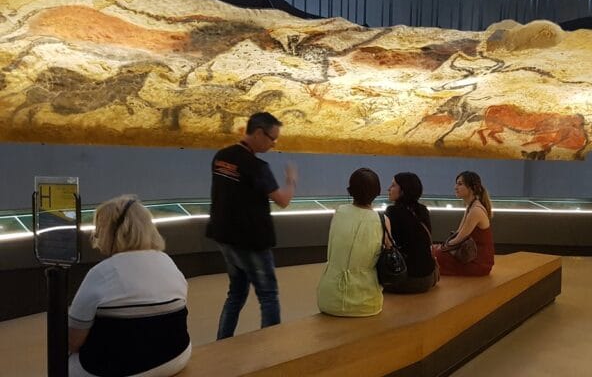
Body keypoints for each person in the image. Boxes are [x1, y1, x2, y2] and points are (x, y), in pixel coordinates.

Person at [68, 195, 190, 377]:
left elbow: (73, 341)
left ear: (111, 233)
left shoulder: (101, 273)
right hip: (176, 358)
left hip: (119, 370)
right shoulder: (168, 263)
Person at [206, 112, 298, 339]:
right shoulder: (256, 166)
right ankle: (271, 348)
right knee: (268, 295)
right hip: (252, 240)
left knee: (236, 293)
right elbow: (283, 200)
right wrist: (291, 180)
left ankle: (222, 341)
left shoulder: (221, 157)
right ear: (258, 133)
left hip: (224, 236)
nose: (273, 144)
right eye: (272, 138)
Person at [317, 168, 384, 316]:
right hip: (367, 303)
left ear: (350, 190)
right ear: (377, 192)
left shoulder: (338, 212)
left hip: (328, 299)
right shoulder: (382, 221)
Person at [383, 172, 438, 293]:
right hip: (429, 277)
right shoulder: (423, 210)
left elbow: (387, 243)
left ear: (403, 190)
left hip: (409, 280)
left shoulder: (392, 212)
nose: (388, 189)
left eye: (393, 185)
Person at [432, 171, 495, 276]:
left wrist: (441, 248)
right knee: (432, 251)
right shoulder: (470, 206)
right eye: (456, 184)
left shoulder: (476, 210)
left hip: (478, 262)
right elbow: (458, 233)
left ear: (471, 188)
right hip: (469, 255)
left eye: (460, 184)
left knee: (434, 255)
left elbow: (459, 239)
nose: (455, 187)